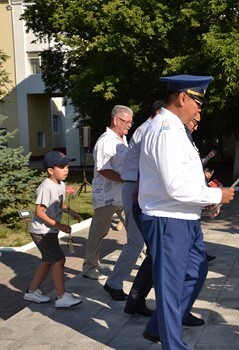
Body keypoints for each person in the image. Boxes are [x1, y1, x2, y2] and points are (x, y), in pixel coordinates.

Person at [139, 74, 235, 348]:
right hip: (168, 219)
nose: (199, 110)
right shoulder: (166, 131)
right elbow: (174, 187)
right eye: (198, 102)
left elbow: (184, 178)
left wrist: (206, 194)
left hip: (184, 217)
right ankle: (172, 344)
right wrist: (216, 194)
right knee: (169, 288)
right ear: (183, 98)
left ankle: (158, 326)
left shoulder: (177, 129)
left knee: (196, 270)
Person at [121, 99, 165, 315]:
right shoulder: (148, 130)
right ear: (159, 112)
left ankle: (135, 300)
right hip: (137, 191)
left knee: (156, 251)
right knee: (154, 249)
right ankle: (134, 299)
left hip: (142, 190)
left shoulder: (152, 128)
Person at [24, 151, 82, 308]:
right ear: (50, 170)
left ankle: (31, 291)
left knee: (48, 260)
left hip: (49, 231)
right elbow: (39, 212)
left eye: (67, 166)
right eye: (62, 167)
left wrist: (71, 212)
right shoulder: (46, 187)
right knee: (58, 260)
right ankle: (61, 296)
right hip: (42, 232)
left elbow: (60, 204)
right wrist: (59, 226)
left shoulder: (60, 184)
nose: (66, 170)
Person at [82, 105, 132, 283]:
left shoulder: (122, 139)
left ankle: (147, 259)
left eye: (131, 121)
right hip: (107, 196)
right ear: (116, 120)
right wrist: (126, 180)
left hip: (123, 195)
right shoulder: (105, 141)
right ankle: (90, 266)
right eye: (126, 121)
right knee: (99, 231)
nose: (130, 125)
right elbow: (104, 170)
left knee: (135, 229)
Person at [186, 112, 216, 263]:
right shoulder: (174, 138)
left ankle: (200, 255)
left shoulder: (187, 138)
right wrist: (215, 196)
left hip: (192, 206)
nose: (196, 127)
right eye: (194, 122)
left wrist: (204, 176)